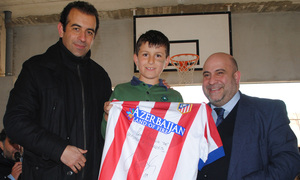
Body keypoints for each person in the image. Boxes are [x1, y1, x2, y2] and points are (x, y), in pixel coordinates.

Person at [3, 1, 112, 179]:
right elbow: (14, 122)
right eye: (76, 28)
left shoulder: (101, 77)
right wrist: (59, 149)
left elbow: (112, 130)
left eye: (89, 32)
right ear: (61, 29)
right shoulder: (36, 69)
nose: (83, 38)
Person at [197, 52, 300, 179]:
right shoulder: (195, 117)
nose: (212, 81)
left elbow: (289, 161)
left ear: (236, 77)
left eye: (220, 73)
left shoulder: (268, 112)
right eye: (207, 75)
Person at [101, 30, 183, 138]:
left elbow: (180, 136)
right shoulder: (121, 91)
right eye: (145, 54)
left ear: (167, 61)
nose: (151, 61)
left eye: (158, 55)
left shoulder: (175, 97)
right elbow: (106, 135)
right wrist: (108, 115)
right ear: (136, 59)